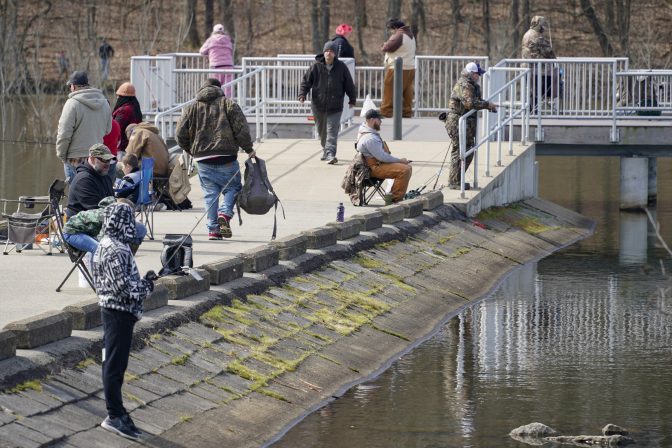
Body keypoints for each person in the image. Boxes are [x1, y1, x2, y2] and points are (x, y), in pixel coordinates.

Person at [93, 201, 156, 441]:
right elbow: (125, 289)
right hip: (118, 313)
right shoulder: (117, 249)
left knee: (113, 363)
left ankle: (118, 413)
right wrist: (148, 285)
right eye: (130, 219)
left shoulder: (104, 244)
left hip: (111, 311)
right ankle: (114, 416)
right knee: (115, 365)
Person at [175, 78, 256, 240]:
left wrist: (191, 150)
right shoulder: (229, 105)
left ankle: (213, 230)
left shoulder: (190, 109)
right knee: (233, 188)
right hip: (226, 155)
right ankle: (225, 214)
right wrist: (248, 149)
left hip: (202, 158)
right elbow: (241, 130)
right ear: (219, 89)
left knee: (210, 194)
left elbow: (179, 135)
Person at [299, 41, 356, 165]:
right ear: (323, 53)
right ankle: (326, 150)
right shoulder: (316, 66)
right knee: (322, 132)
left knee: (332, 131)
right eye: (327, 51)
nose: (328, 53)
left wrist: (352, 99)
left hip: (335, 106)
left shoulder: (341, 67)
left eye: (331, 51)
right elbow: (306, 82)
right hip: (318, 105)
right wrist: (302, 94)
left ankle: (331, 153)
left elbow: (349, 85)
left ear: (335, 54)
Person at [444, 62, 497, 190]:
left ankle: (456, 180)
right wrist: (486, 105)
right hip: (457, 121)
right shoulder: (465, 84)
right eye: (477, 74)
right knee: (461, 151)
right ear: (472, 73)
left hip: (464, 122)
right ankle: (454, 182)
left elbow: (476, 101)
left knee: (466, 150)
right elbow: (469, 103)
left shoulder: (471, 85)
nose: (479, 76)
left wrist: (488, 105)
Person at [56, 71, 112, 184]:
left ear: (74, 86)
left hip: (74, 159)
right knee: (93, 193)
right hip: (97, 159)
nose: (70, 88)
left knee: (76, 195)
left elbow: (64, 134)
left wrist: (61, 155)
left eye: (70, 86)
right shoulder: (105, 103)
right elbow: (108, 130)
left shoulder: (71, 104)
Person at [356, 109, 412, 203]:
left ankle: (394, 196)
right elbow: (382, 157)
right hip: (374, 168)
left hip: (377, 164)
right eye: (379, 120)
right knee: (404, 170)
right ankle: (394, 200)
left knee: (408, 167)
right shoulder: (369, 138)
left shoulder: (366, 130)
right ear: (372, 120)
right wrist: (400, 160)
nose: (381, 122)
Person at [62, 196, 146, 254]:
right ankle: (97, 277)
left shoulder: (112, 214)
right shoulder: (105, 216)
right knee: (100, 249)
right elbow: (102, 239)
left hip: (86, 231)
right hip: (72, 232)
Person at [66, 144, 115, 218]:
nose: (107, 164)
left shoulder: (105, 176)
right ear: (92, 159)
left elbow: (112, 203)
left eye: (109, 160)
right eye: (104, 160)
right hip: (81, 226)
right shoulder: (83, 180)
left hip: (100, 221)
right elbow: (96, 210)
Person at [380, 18, 416, 118]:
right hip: (410, 66)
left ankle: (386, 111)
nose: (391, 32)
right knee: (407, 90)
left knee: (389, 88)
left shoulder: (400, 35)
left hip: (398, 67)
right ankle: (407, 112)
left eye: (391, 29)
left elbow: (387, 47)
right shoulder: (410, 35)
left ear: (395, 27)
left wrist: (383, 45)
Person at [521, 16, 556, 112]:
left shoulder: (527, 34)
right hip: (535, 69)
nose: (544, 28)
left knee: (531, 91)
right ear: (538, 25)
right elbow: (548, 51)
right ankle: (533, 113)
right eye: (542, 25)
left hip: (527, 67)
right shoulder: (536, 36)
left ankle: (530, 111)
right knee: (536, 92)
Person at [199, 24, 234, 92]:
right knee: (228, 88)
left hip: (216, 67)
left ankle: (216, 102)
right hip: (229, 66)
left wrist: (208, 54)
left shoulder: (211, 40)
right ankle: (227, 102)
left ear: (214, 31)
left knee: (214, 87)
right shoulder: (228, 40)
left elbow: (202, 51)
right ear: (223, 32)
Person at [112, 82, 143, 157]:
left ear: (122, 97)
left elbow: (115, 127)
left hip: (122, 149)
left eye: (118, 96)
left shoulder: (124, 110)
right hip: (132, 146)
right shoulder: (135, 108)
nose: (117, 98)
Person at [103, 118, 121, 182]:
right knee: (109, 186)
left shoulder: (98, 123)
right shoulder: (116, 124)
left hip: (99, 159)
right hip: (112, 158)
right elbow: (119, 141)